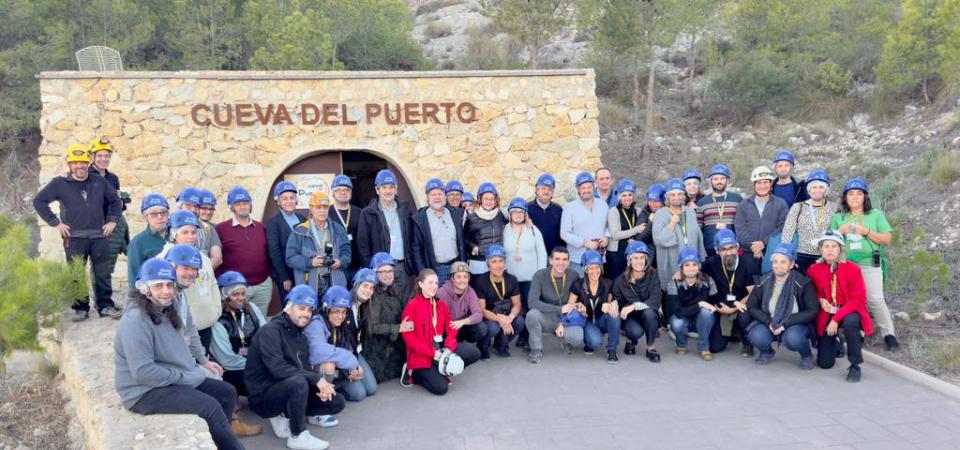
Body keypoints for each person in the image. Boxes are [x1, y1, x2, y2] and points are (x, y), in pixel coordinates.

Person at [114, 258, 246, 450]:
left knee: (227, 392)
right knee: (209, 406)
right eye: (158, 286)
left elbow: (186, 336)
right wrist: (185, 376)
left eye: (169, 284)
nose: (166, 290)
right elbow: (143, 373)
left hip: (170, 376)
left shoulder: (168, 305)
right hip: (143, 392)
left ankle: (219, 441)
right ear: (144, 288)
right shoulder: (135, 321)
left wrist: (198, 365)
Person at [244, 285, 346, 450]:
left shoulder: (300, 334)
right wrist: (316, 379)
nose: (306, 314)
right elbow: (277, 368)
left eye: (309, 310)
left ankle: (289, 414)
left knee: (336, 402)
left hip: (289, 386)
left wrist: (321, 387)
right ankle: (297, 435)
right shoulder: (270, 331)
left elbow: (305, 368)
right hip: (264, 396)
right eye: (301, 308)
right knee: (298, 382)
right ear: (288, 308)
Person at [34, 144, 123, 321]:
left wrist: (112, 221)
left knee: (102, 273)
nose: (79, 166)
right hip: (73, 237)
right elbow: (39, 201)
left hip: (99, 236)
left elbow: (115, 201)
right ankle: (81, 308)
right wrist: (56, 223)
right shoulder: (59, 183)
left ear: (87, 163)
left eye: (83, 163)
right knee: (76, 273)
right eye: (75, 163)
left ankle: (105, 306)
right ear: (69, 164)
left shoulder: (99, 181)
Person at [831, 177, 899, 351]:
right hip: (847, 265)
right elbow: (831, 243)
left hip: (869, 263)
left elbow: (886, 239)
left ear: (865, 197)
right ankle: (857, 333)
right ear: (845, 197)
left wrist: (866, 231)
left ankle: (888, 334)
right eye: (850, 194)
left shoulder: (875, 214)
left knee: (875, 299)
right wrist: (840, 231)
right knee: (852, 300)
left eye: (859, 193)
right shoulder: (839, 217)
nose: (854, 197)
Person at [807, 231, 874, 382]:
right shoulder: (813, 270)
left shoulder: (852, 268)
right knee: (825, 364)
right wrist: (819, 299)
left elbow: (859, 300)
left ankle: (855, 365)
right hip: (827, 312)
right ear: (820, 249)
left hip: (848, 310)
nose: (830, 250)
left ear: (840, 249)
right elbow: (812, 292)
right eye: (826, 246)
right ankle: (837, 343)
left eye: (834, 246)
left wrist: (836, 320)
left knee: (851, 323)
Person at [400, 270, 481, 395]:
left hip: (441, 350)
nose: (434, 286)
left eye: (436, 283)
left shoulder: (440, 305)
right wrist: (432, 353)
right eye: (430, 282)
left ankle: (441, 369)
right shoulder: (412, 306)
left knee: (474, 353)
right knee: (441, 388)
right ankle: (412, 372)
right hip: (423, 354)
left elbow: (451, 329)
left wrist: (448, 348)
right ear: (420, 284)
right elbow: (409, 339)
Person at [208, 271, 266, 437]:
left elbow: (265, 335)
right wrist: (258, 367)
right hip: (233, 368)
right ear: (225, 295)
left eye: (242, 293)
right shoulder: (218, 319)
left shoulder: (252, 309)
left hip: (253, 362)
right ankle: (233, 407)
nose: (241, 298)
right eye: (235, 294)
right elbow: (226, 359)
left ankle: (253, 397)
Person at [745, 242, 818, 369]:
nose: (778, 266)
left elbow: (812, 311)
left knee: (793, 338)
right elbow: (751, 306)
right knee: (755, 335)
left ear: (791, 264)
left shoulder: (803, 283)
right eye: (775, 262)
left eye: (783, 262)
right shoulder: (763, 281)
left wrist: (784, 324)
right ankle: (766, 351)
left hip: (794, 323)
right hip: (770, 320)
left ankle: (806, 355)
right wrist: (769, 322)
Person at [158, 212, 221, 352]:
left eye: (193, 232)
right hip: (179, 328)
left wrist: (215, 311)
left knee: (204, 362)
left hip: (206, 324)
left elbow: (212, 285)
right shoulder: (163, 259)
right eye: (185, 232)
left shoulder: (203, 258)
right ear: (174, 234)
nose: (191, 236)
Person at [305, 286, 377, 403]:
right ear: (326, 308)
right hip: (314, 369)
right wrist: (352, 362)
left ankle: (334, 389)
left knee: (371, 389)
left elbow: (347, 345)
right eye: (336, 311)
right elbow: (318, 351)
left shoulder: (341, 323)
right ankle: (321, 399)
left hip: (338, 364)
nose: (340, 316)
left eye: (344, 312)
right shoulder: (316, 322)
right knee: (358, 394)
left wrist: (353, 369)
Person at [216, 186, 273, 318]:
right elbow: (217, 257)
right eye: (238, 204)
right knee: (237, 322)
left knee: (260, 321)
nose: (242, 207)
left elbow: (268, 253)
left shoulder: (260, 227)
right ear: (232, 207)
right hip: (235, 287)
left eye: (245, 203)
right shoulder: (221, 229)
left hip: (262, 285)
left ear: (250, 205)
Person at [357, 169, 414, 300]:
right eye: (384, 187)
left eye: (391, 187)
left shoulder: (405, 210)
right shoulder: (368, 213)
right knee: (382, 304)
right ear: (377, 190)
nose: (388, 191)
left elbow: (411, 239)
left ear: (396, 189)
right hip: (380, 270)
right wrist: (371, 270)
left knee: (403, 303)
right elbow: (362, 245)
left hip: (401, 267)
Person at [701, 229, 759, 356]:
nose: (728, 252)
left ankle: (747, 344)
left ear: (737, 246)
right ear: (717, 250)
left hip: (741, 304)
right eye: (723, 249)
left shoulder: (748, 263)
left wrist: (733, 309)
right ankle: (732, 333)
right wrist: (679, 272)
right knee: (715, 347)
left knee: (744, 314)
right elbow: (693, 270)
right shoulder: (710, 264)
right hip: (720, 307)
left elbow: (753, 292)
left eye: (731, 247)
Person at [286, 192, 351, 296]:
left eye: (325, 207)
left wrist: (340, 262)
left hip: (334, 282)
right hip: (309, 285)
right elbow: (290, 258)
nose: (322, 211)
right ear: (311, 209)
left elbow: (347, 254)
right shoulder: (299, 231)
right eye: (318, 207)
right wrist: (311, 262)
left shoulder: (338, 229)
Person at [86, 138, 130, 288]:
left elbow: (115, 202)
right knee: (98, 266)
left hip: (114, 226)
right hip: (96, 227)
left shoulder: (113, 178)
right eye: (100, 156)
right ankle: (101, 303)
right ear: (92, 157)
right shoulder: (85, 176)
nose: (104, 159)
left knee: (108, 265)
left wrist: (121, 201)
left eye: (107, 156)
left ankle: (105, 301)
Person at [563, 250, 621, 363]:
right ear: (585, 269)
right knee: (595, 342)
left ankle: (612, 350)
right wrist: (578, 307)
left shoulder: (608, 283)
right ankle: (588, 341)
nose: (594, 271)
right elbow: (569, 307)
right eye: (591, 268)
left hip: (602, 319)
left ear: (601, 268)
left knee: (614, 315)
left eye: (597, 267)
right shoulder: (578, 284)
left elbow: (612, 304)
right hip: (587, 320)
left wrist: (609, 306)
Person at [362, 253, 412, 383]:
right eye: (383, 271)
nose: (388, 274)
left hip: (393, 346)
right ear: (374, 273)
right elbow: (372, 328)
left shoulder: (393, 289)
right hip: (377, 350)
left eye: (390, 270)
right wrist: (399, 328)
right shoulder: (372, 294)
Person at [524, 246, 579, 364]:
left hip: (565, 318)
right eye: (557, 259)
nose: (561, 263)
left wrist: (563, 321)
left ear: (569, 262)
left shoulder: (573, 275)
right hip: (547, 316)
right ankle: (536, 349)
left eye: (564, 259)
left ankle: (567, 341)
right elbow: (532, 302)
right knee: (532, 315)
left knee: (577, 337)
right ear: (550, 260)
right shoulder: (539, 275)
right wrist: (559, 309)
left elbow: (576, 301)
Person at [653, 178, 707, 297]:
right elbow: (658, 239)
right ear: (668, 197)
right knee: (674, 292)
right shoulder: (661, 213)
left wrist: (700, 257)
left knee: (692, 291)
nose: (676, 197)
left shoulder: (690, 212)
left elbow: (697, 235)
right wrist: (672, 223)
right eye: (672, 194)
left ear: (684, 196)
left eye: (679, 194)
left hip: (691, 259)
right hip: (671, 257)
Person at [410, 178, 467, 285]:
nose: (437, 197)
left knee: (457, 300)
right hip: (435, 270)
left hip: (456, 268)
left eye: (440, 194)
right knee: (438, 300)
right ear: (427, 197)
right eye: (433, 194)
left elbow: (462, 242)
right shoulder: (420, 219)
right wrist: (424, 274)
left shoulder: (455, 214)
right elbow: (416, 249)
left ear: (445, 196)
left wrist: (462, 267)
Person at [612, 242, 662, 362]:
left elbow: (655, 298)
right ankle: (630, 339)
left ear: (646, 260)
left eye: (642, 258)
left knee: (650, 313)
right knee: (635, 331)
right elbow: (618, 303)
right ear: (629, 260)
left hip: (648, 313)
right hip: (631, 317)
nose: (639, 261)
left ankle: (650, 348)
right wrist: (622, 308)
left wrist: (634, 305)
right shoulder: (620, 281)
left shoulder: (653, 275)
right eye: (635, 258)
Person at [471, 245, 524, 358]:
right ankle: (482, 347)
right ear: (488, 264)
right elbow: (482, 310)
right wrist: (501, 320)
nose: (498, 265)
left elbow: (517, 304)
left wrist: (509, 318)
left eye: (501, 261)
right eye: (494, 261)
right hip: (488, 317)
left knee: (519, 321)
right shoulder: (480, 281)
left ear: (505, 263)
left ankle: (500, 345)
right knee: (493, 328)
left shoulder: (512, 279)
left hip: (505, 314)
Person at [666, 248, 718, 361]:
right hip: (682, 317)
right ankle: (681, 344)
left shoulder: (708, 280)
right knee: (676, 321)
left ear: (699, 266)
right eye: (687, 265)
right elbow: (678, 312)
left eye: (694, 264)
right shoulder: (673, 283)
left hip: (700, 319)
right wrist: (700, 304)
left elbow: (715, 303)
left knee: (707, 313)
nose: (691, 268)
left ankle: (703, 347)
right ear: (681, 267)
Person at [780, 170, 838, 273]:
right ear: (809, 190)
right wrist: (788, 256)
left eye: (821, 187)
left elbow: (838, 232)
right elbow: (787, 234)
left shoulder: (834, 208)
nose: (817, 190)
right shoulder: (798, 207)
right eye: (814, 187)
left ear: (826, 190)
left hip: (825, 257)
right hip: (801, 257)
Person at [734, 166, 789, 268]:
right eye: (759, 182)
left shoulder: (781, 204)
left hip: (772, 252)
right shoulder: (743, 204)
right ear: (753, 184)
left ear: (771, 183)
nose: (762, 186)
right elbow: (740, 229)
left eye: (765, 182)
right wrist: (754, 247)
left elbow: (782, 227)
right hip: (747, 253)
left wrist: (764, 243)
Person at [502, 197, 548, 312]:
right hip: (511, 280)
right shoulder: (503, 231)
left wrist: (540, 277)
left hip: (531, 280)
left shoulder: (533, 230)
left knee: (531, 309)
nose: (518, 215)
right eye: (515, 212)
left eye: (521, 212)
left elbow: (542, 254)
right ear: (510, 213)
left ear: (525, 214)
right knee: (514, 310)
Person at [561, 171, 610, 276]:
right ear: (578, 190)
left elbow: (608, 226)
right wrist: (584, 243)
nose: (586, 190)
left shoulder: (603, 205)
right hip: (578, 259)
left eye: (589, 187)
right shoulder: (569, 208)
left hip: (599, 258)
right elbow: (564, 233)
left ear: (594, 187)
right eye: (583, 188)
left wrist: (607, 237)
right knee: (579, 289)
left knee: (597, 289)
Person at [437, 261, 487, 354]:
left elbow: (478, 314)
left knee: (482, 328)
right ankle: (446, 347)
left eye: (465, 276)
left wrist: (463, 322)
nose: (462, 280)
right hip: (446, 328)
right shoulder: (441, 293)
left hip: (460, 325)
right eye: (458, 276)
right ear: (452, 278)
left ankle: (464, 344)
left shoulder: (470, 291)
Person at [267, 181, 306, 300]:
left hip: (303, 271)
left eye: (292, 198)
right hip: (286, 273)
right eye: (285, 199)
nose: (289, 201)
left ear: (296, 200)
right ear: (278, 202)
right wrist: (284, 277)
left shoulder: (303, 219)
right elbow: (274, 252)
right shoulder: (273, 222)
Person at [127, 193, 170, 294]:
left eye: (163, 212)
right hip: (152, 295)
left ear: (168, 215)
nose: (160, 217)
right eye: (154, 214)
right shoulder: (138, 242)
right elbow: (134, 277)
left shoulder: (177, 236)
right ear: (146, 217)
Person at [696, 164, 742, 259]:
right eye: (715, 179)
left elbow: (743, 224)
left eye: (722, 178)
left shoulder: (737, 199)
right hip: (709, 249)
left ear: (727, 181)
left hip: (732, 248)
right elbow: (698, 228)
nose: (719, 181)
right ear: (710, 181)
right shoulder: (702, 202)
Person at [464, 182, 508, 275]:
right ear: (480, 200)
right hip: (479, 261)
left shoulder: (500, 215)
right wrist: (473, 247)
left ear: (496, 200)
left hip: (497, 261)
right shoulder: (472, 218)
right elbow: (464, 238)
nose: (489, 202)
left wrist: (527, 220)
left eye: (492, 199)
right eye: (486, 199)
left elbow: (513, 225)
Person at [606, 179, 645, 277]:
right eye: (624, 195)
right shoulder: (613, 211)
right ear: (619, 197)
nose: (627, 198)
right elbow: (615, 235)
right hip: (616, 254)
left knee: (630, 281)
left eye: (630, 195)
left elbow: (644, 229)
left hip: (632, 253)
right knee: (617, 281)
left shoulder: (638, 210)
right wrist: (635, 230)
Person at [329, 174, 362, 285]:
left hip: (356, 266)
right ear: (333, 193)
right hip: (335, 266)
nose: (343, 192)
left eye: (346, 190)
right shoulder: (326, 213)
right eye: (338, 190)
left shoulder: (360, 213)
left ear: (351, 193)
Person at [527, 173, 565, 255]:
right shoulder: (527, 209)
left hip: (554, 257)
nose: (546, 192)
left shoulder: (558, 210)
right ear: (537, 190)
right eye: (543, 188)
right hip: (534, 256)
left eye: (549, 189)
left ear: (552, 192)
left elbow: (562, 235)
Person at [638, 183, 665, 267]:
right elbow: (640, 239)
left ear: (663, 201)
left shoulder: (668, 212)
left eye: (656, 201)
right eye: (650, 200)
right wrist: (650, 222)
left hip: (666, 252)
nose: (652, 204)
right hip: (651, 255)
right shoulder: (645, 212)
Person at [196, 189, 224, 270]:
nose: (208, 212)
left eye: (211, 209)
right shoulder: (185, 225)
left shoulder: (215, 228)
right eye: (204, 208)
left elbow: (217, 259)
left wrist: (202, 274)